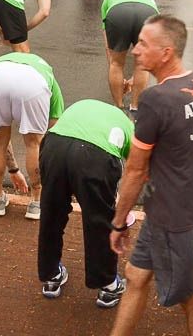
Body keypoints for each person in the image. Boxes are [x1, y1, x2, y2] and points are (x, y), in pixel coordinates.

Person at [108, 16, 193, 336]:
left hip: (172, 219)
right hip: (178, 211)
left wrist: (119, 222)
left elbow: (136, 170)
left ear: (166, 53)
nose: (135, 50)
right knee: (136, 276)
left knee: (192, 297)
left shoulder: (156, 100)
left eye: (143, 44)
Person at [36, 99, 134, 307]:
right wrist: (122, 216)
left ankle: (51, 276)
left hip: (54, 146)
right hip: (95, 156)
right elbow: (135, 173)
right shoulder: (129, 127)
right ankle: (107, 286)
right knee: (100, 220)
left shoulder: (83, 104)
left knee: (52, 213)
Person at [0, 51, 64, 220]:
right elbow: (54, 135)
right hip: (32, 85)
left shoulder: (2, 60)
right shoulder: (49, 77)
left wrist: (14, 169)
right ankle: (36, 202)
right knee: (35, 144)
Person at [101, 0, 158, 113]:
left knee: (116, 64)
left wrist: (114, 67)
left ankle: (118, 107)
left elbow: (107, 44)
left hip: (118, 13)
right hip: (147, 12)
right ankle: (135, 108)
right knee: (142, 65)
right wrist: (135, 78)